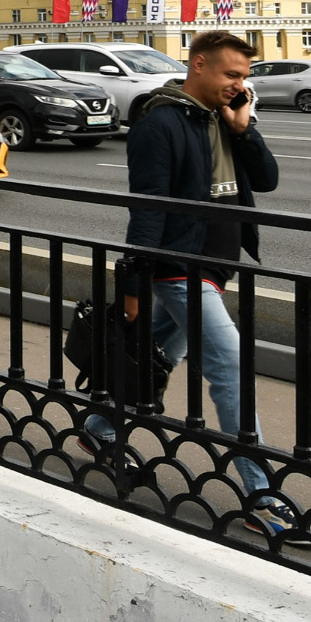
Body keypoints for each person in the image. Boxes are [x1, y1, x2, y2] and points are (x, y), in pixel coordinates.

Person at [116, 28, 282, 523]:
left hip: (215, 265)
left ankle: (102, 425)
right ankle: (261, 497)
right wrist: (133, 282)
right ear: (199, 65)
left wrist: (242, 128)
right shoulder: (160, 122)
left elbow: (268, 179)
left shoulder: (225, 120)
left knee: (157, 356)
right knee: (230, 366)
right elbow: (146, 208)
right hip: (177, 266)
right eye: (232, 74)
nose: (240, 85)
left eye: (245, 77)